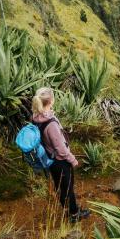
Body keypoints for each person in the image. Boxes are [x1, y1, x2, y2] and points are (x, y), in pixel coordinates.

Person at [31, 87, 90, 222]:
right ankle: (74, 214)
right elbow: (61, 149)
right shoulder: (50, 124)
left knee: (60, 186)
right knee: (67, 187)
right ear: (50, 101)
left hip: (50, 159)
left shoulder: (35, 117)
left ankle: (67, 209)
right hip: (60, 161)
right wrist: (73, 160)